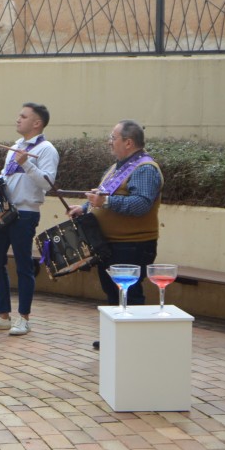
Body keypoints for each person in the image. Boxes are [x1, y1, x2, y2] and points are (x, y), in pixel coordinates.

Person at [67, 120, 162, 348]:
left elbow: (141, 204)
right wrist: (85, 207)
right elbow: (103, 196)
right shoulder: (118, 166)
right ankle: (116, 337)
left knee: (130, 293)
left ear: (128, 142)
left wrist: (106, 201)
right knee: (113, 291)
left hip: (132, 244)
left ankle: (133, 343)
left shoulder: (145, 169)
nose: (110, 142)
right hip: (112, 244)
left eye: (113, 138)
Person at [0, 103, 59, 336]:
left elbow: (48, 183)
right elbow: (5, 178)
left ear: (37, 123)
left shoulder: (46, 149)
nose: (17, 119)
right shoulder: (16, 147)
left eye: (23, 116)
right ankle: (2, 316)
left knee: (23, 265)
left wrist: (26, 163)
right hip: (4, 212)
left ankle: (24, 318)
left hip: (26, 214)